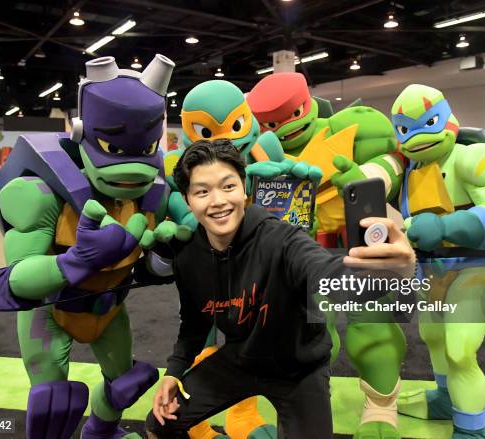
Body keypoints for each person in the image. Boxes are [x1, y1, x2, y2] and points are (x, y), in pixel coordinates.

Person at [145, 139, 416, 438]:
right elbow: (194, 324)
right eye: (202, 192)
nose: (218, 201)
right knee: (160, 422)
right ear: (187, 200)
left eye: (228, 186)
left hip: (299, 368)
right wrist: (173, 371)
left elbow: (326, 273)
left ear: (244, 189)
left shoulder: (282, 239)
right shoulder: (188, 258)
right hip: (241, 359)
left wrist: (395, 271)